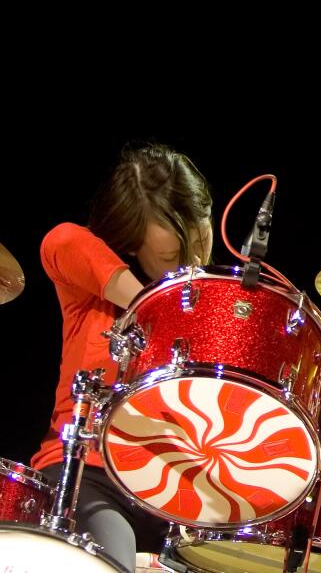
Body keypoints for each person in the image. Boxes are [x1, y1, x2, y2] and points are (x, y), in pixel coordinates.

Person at [31, 142, 214, 573]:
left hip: (188, 504)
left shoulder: (226, 314)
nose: (192, 261)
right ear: (131, 247)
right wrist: (156, 307)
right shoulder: (93, 290)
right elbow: (60, 240)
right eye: (171, 256)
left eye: (201, 239)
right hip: (91, 478)